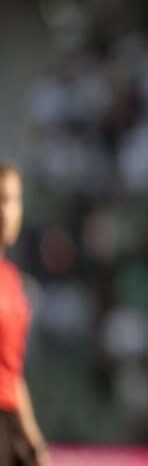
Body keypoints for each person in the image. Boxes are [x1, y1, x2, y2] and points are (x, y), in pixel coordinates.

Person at [0, 161, 48, 466]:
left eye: (11, 200)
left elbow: (13, 372)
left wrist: (33, 439)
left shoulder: (13, 281)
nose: (5, 211)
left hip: (9, 422)